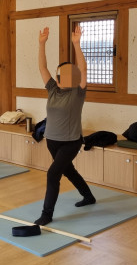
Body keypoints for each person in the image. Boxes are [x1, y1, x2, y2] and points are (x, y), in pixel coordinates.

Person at [35, 25, 96, 226]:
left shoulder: (77, 92)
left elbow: (84, 69)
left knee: (53, 174)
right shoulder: (52, 88)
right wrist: (42, 44)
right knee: (68, 170)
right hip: (51, 141)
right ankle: (88, 196)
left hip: (71, 142)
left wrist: (77, 44)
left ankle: (47, 214)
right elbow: (42, 68)